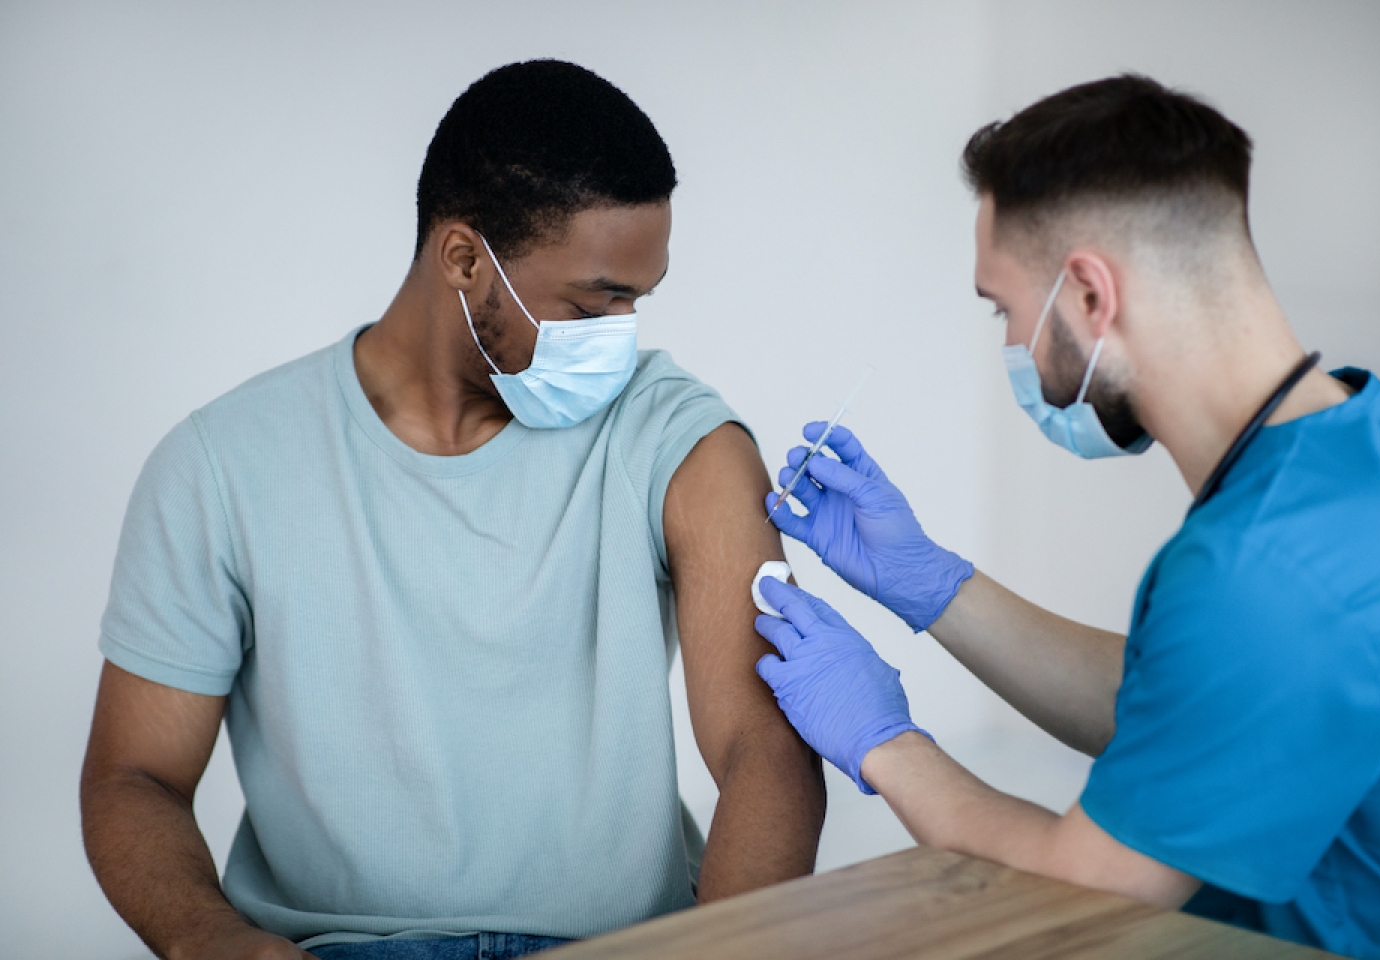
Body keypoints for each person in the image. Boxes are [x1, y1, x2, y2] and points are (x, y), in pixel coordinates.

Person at [80, 60, 824, 960]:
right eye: (596, 302)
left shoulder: (679, 441)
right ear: (466, 260)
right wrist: (213, 942)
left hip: (624, 947)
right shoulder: (219, 467)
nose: (622, 334)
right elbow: (135, 777)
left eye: (637, 299)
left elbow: (768, 752)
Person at [753, 75, 1380, 959]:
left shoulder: (1261, 570)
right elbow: (1196, 703)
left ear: (1088, 294)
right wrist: (928, 581)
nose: (1008, 346)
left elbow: (1090, 892)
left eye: (1004, 308)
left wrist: (885, 742)